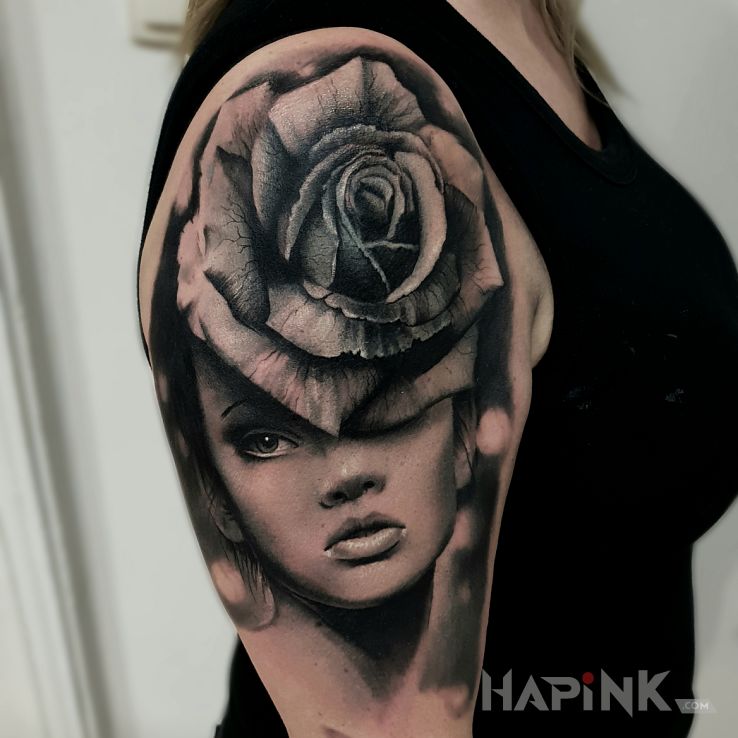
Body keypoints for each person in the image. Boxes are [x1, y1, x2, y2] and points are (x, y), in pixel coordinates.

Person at [137, 1, 738, 736]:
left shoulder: (526, 28)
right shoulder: (316, 71)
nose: (346, 470)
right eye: (268, 438)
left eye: (394, 407)